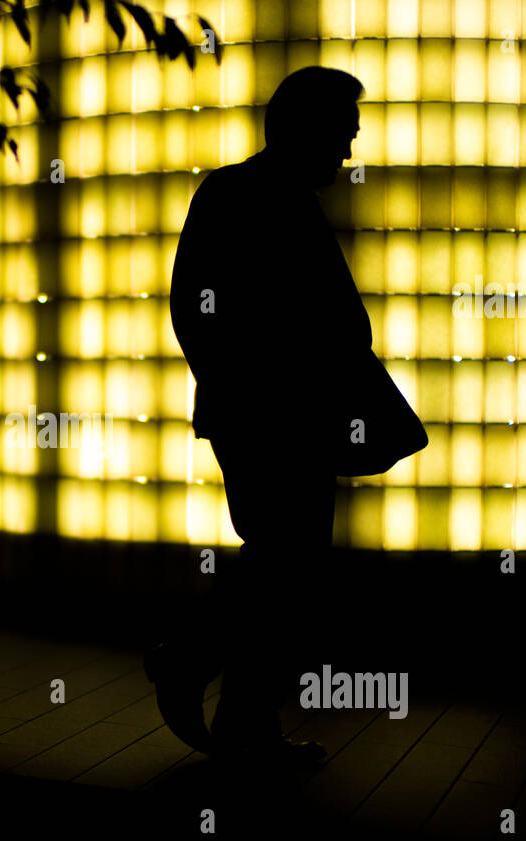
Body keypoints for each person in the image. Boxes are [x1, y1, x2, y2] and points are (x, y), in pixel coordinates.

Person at [148, 67, 369, 766]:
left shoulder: (235, 193)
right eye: (341, 135)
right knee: (289, 566)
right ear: (307, 129)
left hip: (259, 413)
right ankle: (206, 677)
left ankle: (237, 712)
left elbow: (195, 308)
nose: (347, 152)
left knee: (281, 564)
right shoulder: (273, 202)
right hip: (278, 418)